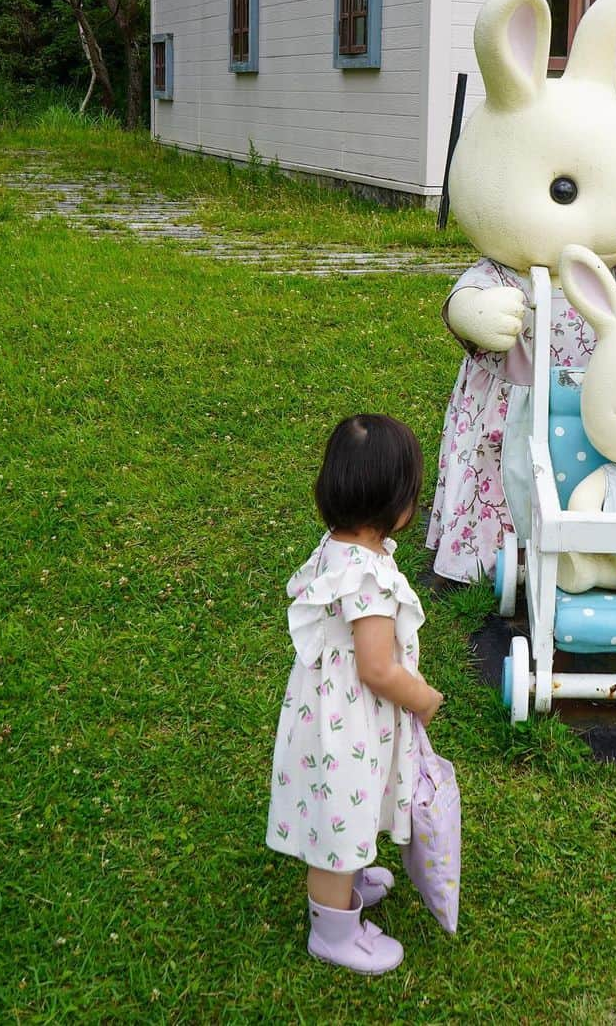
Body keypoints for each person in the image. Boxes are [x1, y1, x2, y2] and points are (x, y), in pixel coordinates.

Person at [266, 415, 444, 975]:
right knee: (340, 804)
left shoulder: (336, 548)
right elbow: (375, 666)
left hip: (326, 712)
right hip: (349, 720)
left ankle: (352, 873)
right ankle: (334, 931)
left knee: (351, 798)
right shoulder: (369, 579)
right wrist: (420, 696)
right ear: (398, 503)